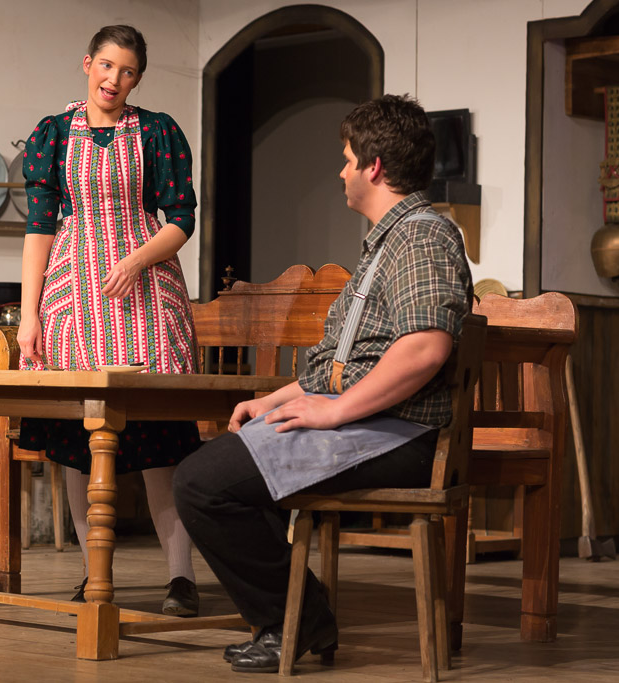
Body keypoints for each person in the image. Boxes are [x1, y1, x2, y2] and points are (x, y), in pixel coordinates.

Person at [173, 94, 473, 673]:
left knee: (203, 483)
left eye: (347, 159)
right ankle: (295, 618)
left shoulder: (422, 237)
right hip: (371, 420)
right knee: (223, 467)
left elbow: (424, 348)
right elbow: (340, 365)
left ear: (374, 167)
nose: (341, 172)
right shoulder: (389, 242)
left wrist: (332, 412)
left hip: (402, 433)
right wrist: (276, 399)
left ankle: (294, 620)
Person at [16, 25, 201, 617]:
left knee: (158, 438)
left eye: (127, 71)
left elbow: (181, 218)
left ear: (137, 79)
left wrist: (138, 259)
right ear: (87, 63)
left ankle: (181, 579)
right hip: (73, 294)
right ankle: (93, 572)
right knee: (79, 441)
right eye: (106, 65)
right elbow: (39, 229)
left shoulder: (158, 131)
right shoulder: (52, 134)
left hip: (144, 294)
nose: (114, 79)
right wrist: (28, 315)